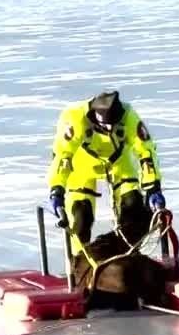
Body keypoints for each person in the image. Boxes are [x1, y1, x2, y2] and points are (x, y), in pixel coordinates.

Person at [47, 91, 165, 246]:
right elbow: (63, 156)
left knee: (133, 207)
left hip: (119, 163)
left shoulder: (129, 117)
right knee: (81, 217)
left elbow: (146, 151)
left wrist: (153, 186)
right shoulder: (75, 118)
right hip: (83, 166)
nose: (109, 129)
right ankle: (79, 257)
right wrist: (57, 189)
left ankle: (128, 250)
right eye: (104, 126)